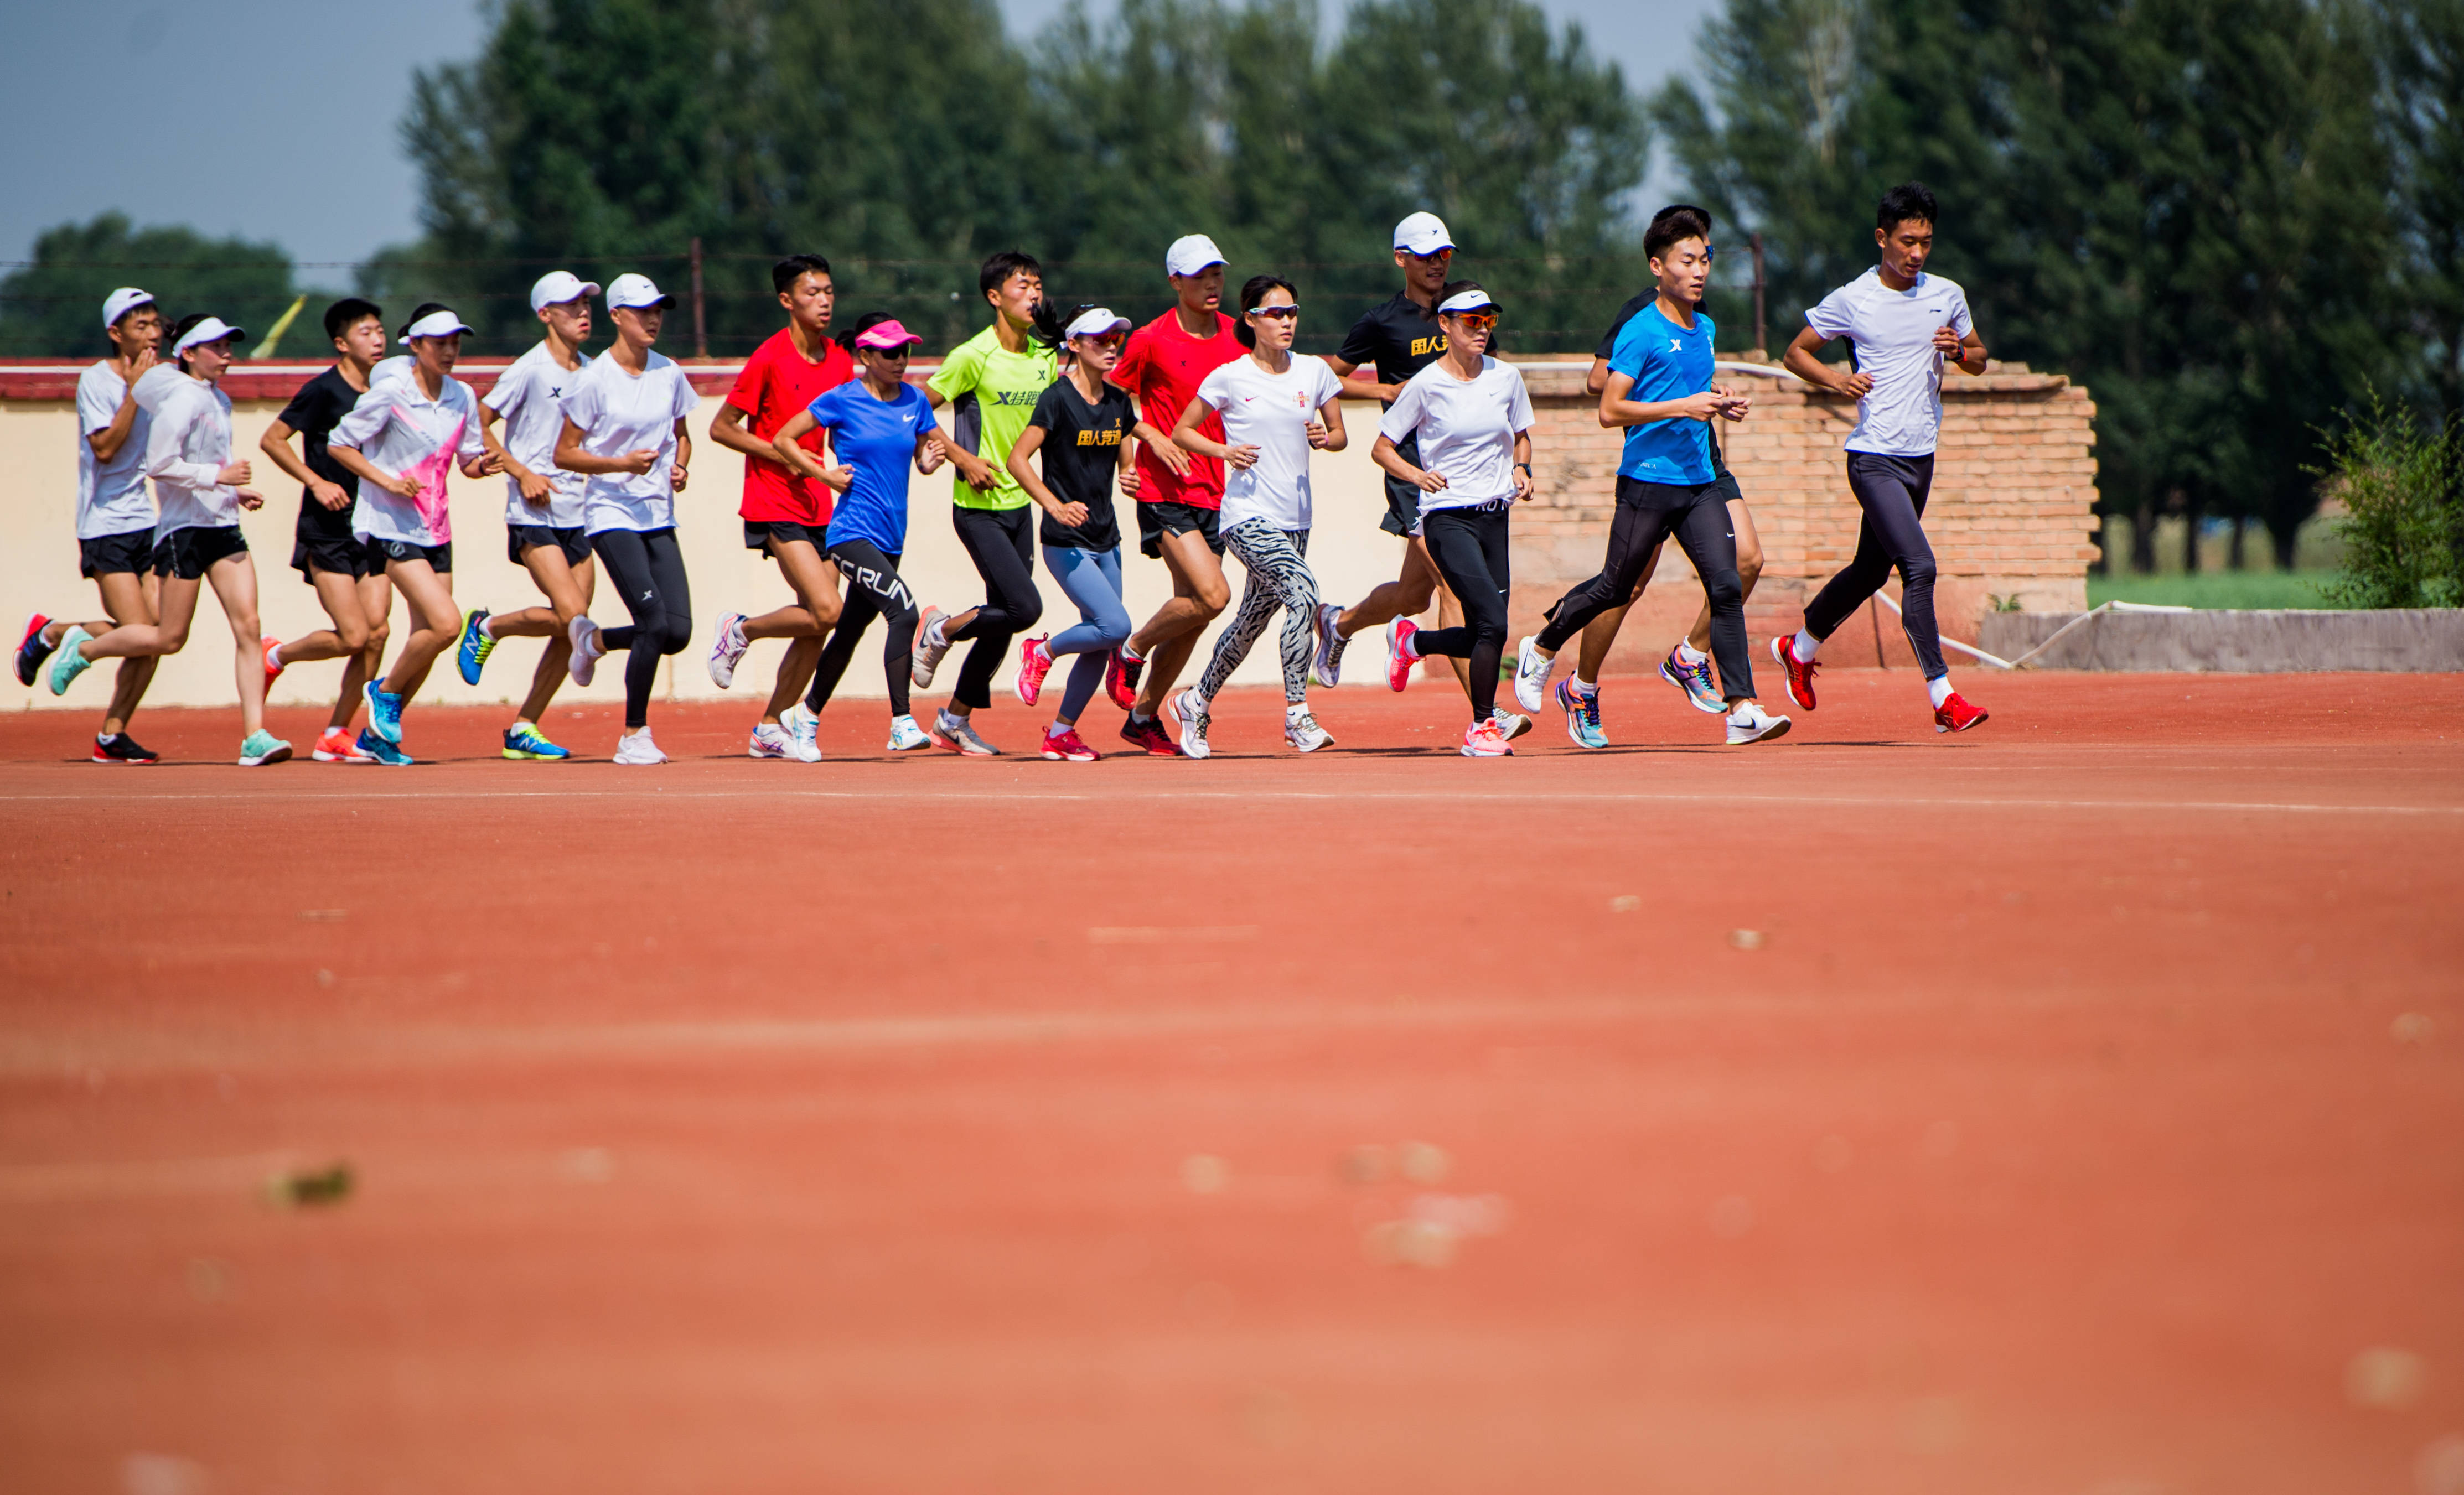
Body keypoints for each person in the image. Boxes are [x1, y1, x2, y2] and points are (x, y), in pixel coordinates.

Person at [1509, 207, 1790, 746]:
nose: (1700, 269)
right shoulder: (1640, 329)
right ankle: (1542, 646)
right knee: (1617, 584)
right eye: (1688, 260)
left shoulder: (1705, 325)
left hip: (1699, 477)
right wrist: (1681, 406)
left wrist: (1717, 406)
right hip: (1648, 479)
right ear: (1658, 267)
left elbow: (1688, 394)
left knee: (1727, 582)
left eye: (1705, 258)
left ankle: (1743, 708)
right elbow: (1610, 409)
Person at [1774, 181, 1991, 734]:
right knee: (1919, 567)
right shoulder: (1854, 298)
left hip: (1921, 458)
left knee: (1871, 570)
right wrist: (1836, 381)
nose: (1917, 253)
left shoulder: (1946, 294)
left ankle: (1797, 649)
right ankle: (1944, 698)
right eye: (1907, 241)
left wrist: (1960, 352)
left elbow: (1981, 359)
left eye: (1926, 241)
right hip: (1873, 459)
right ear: (1882, 238)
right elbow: (1795, 352)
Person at [1311, 213, 1531, 736]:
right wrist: (1382, 391)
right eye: (1426, 256)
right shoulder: (1381, 321)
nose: (1437, 265)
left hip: (1471, 480)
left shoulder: (1467, 309)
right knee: (1457, 594)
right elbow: (1325, 377)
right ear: (1400, 259)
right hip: (1415, 471)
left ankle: (1338, 623)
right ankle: (1486, 712)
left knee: (1414, 596)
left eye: (1444, 256)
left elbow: (1490, 385)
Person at [50, 315, 292, 765]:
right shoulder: (180, 399)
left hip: (222, 528)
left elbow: (206, 464)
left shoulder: (217, 398)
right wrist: (218, 476)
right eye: (215, 346)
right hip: (183, 533)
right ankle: (84, 647)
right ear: (188, 353)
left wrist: (234, 492)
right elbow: (159, 464)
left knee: (249, 628)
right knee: (168, 637)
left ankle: (254, 737)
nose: (227, 354)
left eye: (229, 346)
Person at [1164, 275, 1347, 759]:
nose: (1287, 322)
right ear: (1250, 319)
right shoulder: (1230, 377)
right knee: (1304, 596)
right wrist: (1224, 450)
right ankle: (1297, 715)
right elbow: (1182, 432)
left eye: (1292, 313)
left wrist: (1325, 440)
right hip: (1246, 517)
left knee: (1250, 623)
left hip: (1297, 519)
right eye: (1275, 314)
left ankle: (1194, 701)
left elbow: (1340, 434)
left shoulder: (1314, 372)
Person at [764, 314, 948, 748]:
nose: (901, 359)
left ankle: (805, 718)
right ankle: (902, 722)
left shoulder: (915, 401)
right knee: (904, 612)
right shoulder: (842, 400)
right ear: (865, 356)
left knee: (848, 632)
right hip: (850, 533)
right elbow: (783, 439)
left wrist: (928, 463)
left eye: (905, 351)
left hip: (891, 538)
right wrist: (823, 476)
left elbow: (920, 457)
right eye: (890, 353)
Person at [324, 304, 495, 765]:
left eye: (456, 342)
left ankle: (378, 739)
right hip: (389, 525)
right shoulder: (391, 392)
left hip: (436, 527)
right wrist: (387, 481)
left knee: (429, 640)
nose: (450, 351)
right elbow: (339, 444)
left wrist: (485, 466)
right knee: (446, 624)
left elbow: (468, 460)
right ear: (415, 346)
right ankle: (383, 691)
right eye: (439, 343)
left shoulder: (462, 396)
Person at [1373, 284, 1535, 757]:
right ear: (1445, 325)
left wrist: (1522, 468)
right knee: (1492, 620)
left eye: (1489, 321)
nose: (1482, 329)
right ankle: (1482, 727)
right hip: (1447, 518)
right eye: (1472, 321)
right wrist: (1417, 476)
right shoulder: (1426, 384)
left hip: (1495, 517)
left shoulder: (1506, 378)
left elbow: (1522, 437)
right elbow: (1382, 448)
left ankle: (1413, 641)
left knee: (1491, 627)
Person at [703, 253, 853, 762]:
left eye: (830, 291)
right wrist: (783, 454)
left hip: (822, 500)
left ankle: (770, 725)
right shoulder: (769, 357)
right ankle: (739, 630)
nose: (825, 301)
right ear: (787, 300)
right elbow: (721, 428)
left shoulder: (838, 359)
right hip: (773, 499)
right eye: (813, 293)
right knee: (827, 608)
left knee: (819, 623)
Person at [1006, 307, 1173, 761]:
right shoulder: (1056, 399)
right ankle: (1043, 650)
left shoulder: (1118, 401)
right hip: (1065, 540)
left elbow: (1126, 438)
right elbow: (1018, 460)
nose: (1111, 346)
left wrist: (1131, 468)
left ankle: (1061, 733)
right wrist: (1054, 505)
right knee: (1115, 626)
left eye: (1116, 338)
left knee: (1102, 642)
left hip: (1107, 537)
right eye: (1100, 339)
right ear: (1075, 345)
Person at [909, 249, 1055, 755]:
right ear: (995, 297)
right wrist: (958, 457)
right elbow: (915, 410)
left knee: (1005, 617)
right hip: (977, 506)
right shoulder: (973, 356)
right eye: (1022, 285)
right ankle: (939, 629)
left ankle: (954, 720)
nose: (1033, 293)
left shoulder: (1046, 355)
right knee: (1025, 608)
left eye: (1038, 284)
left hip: (1021, 507)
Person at [553, 274, 701, 765]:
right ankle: (633, 735)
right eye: (642, 312)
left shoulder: (669, 373)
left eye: (659, 310)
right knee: (653, 621)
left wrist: (680, 464)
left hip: (658, 512)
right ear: (616, 317)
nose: (654, 319)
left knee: (676, 632)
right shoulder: (593, 381)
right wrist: (619, 464)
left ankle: (592, 639)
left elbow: (682, 434)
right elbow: (565, 454)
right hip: (610, 511)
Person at [454, 271, 602, 761]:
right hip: (534, 512)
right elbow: (479, 420)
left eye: (586, 303)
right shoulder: (530, 369)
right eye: (571, 305)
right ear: (545, 315)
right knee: (572, 616)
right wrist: (520, 472)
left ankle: (524, 726)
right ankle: (487, 627)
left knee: (573, 629)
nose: (583, 312)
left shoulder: (595, 370)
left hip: (582, 513)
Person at [16, 288, 168, 763]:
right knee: (139, 631)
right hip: (105, 524)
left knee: (158, 636)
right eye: (141, 326)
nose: (153, 334)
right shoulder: (97, 382)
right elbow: (106, 449)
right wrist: (134, 393)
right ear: (115, 333)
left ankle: (112, 734)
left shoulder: (161, 378)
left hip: (150, 521)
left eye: (156, 324)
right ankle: (57, 634)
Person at [1104, 234, 1237, 756]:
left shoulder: (1237, 334)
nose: (1212, 284)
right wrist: (1136, 452)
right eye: (1200, 275)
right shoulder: (1150, 338)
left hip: (1220, 492)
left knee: (1196, 609)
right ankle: (1131, 650)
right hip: (1166, 488)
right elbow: (1110, 402)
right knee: (1214, 596)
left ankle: (1142, 716)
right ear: (1175, 282)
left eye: (1217, 274)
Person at [256, 297, 394, 762]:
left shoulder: (388, 388)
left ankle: (337, 732)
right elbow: (273, 439)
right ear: (341, 343)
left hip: (372, 527)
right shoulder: (323, 391)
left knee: (377, 634)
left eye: (380, 330)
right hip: (327, 531)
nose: (378, 339)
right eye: (366, 332)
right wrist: (316, 482)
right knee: (353, 635)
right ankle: (276, 656)